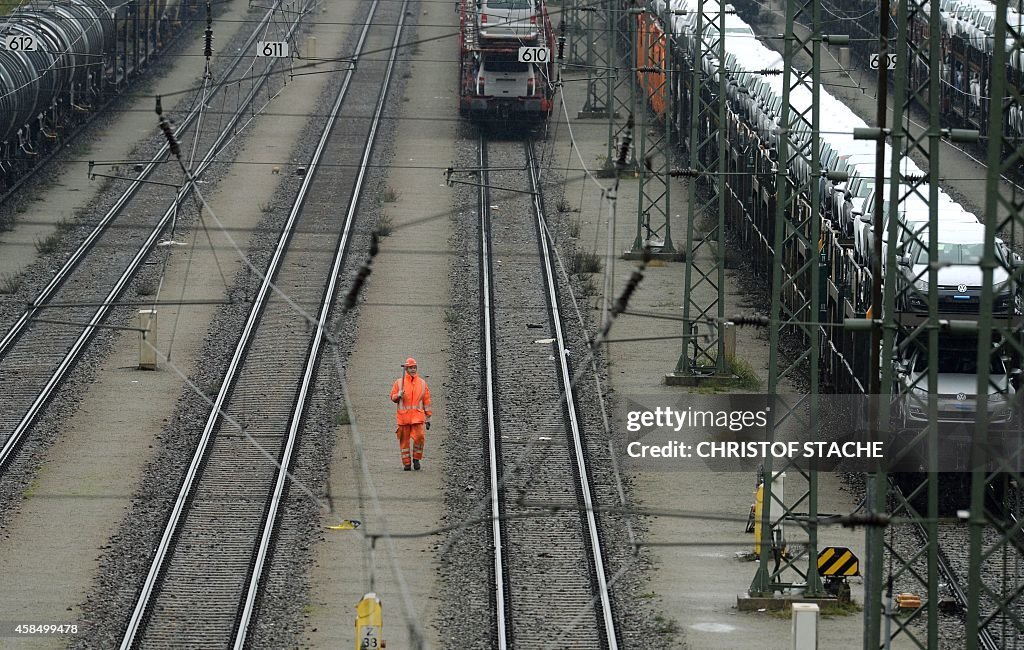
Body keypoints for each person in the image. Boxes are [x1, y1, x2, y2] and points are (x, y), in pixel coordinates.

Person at [390, 357, 432, 471]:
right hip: (403, 418)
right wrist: (398, 395)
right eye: (410, 368)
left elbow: (426, 401)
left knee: (419, 438)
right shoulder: (399, 383)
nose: (413, 370)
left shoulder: (422, 383)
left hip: (417, 418)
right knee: (404, 443)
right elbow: (393, 397)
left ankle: (416, 459)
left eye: (414, 367)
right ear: (406, 369)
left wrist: (428, 417)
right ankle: (407, 464)